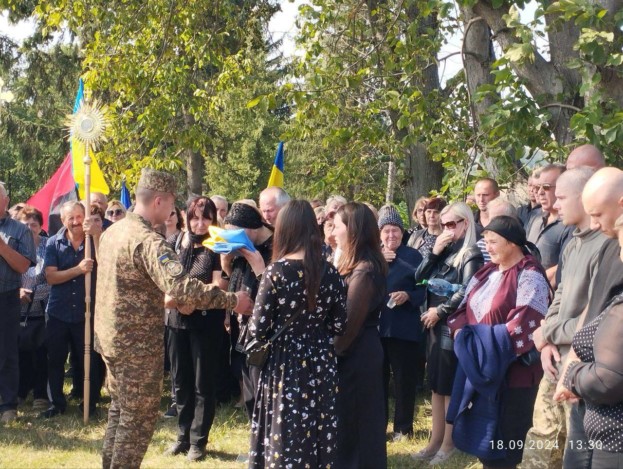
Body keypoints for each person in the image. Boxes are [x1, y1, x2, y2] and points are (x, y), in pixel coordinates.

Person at [93, 168, 252, 469]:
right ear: (159, 201)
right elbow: (182, 288)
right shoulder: (148, 242)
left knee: (120, 411)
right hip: (135, 346)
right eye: (170, 203)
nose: (172, 211)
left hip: (111, 339)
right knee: (135, 419)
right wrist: (233, 300)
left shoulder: (113, 232)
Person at [248, 200, 347, 468]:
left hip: (284, 363)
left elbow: (258, 329)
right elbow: (339, 325)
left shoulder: (276, 272)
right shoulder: (330, 272)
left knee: (285, 431)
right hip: (321, 361)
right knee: (319, 429)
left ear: (285, 230)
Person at [447, 215, 550, 469]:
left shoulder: (530, 275)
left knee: (507, 449)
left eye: (493, 242)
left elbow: (523, 324)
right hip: (480, 369)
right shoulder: (487, 272)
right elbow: (461, 310)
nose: (487, 247)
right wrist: (462, 336)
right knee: (486, 446)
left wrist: (473, 344)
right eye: (486, 241)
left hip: (512, 377)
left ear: (512, 243)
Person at [523, 168, 606, 468]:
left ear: (585, 198)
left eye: (561, 197)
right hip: (555, 358)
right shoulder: (572, 244)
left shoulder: (607, 246)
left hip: (582, 363)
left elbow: (596, 314)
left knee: (577, 450)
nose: (555, 205)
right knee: (542, 442)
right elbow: (559, 296)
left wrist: (548, 333)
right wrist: (547, 342)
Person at [552, 167, 623, 469]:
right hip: (586, 393)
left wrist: (575, 374)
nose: (595, 224)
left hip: (611, 410)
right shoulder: (608, 247)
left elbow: (611, 378)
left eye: (598, 215)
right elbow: (590, 310)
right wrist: (569, 369)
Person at [412, 201, 483, 465]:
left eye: (452, 224)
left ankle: (449, 443)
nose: (447, 229)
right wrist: (434, 252)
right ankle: (435, 440)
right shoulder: (445, 249)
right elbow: (418, 276)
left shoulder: (471, 253)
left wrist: (440, 311)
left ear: (466, 223)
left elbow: (467, 289)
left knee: (449, 384)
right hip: (433, 323)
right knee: (435, 383)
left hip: (450, 325)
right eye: (444, 225)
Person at [164, 197, 226, 461]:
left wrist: (192, 301)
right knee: (180, 382)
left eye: (206, 218)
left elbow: (219, 285)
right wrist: (179, 302)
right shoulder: (175, 242)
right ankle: (182, 436)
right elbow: (164, 280)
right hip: (176, 321)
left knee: (203, 383)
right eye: (195, 218)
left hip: (205, 323)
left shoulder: (217, 245)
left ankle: (198, 441)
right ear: (185, 218)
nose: (200, 224)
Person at [332, 202, 388, 468]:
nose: (333, 232)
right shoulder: (355, 264)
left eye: (337, 226)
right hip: (355, 351)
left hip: (357, 354)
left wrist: (331, 354)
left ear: (353, 230)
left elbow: (349, 324)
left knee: (358, 426)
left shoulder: (365, 270)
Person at [40, 201, 101, 418]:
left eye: (79, 216)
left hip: (88, 311)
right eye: (71, 218)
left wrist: (95, 235)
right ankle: (56, 403)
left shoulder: (94, 240)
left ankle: (89, 403)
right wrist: (78, 270)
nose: (76, 222)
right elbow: (51, 277)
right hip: (59, 312)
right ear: (63, 221)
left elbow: (105, 263)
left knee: (90, 360)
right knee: (55, 359)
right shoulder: (53, 243)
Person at [221, 202, 274, 420]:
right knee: (247, 383)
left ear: (250, 229)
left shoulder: (276, 248)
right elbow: (234, 277)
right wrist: (226, 260)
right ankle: (254, 430)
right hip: (241, 324)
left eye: (235, 235)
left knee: (263, 389)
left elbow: (275, 293)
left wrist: (256, 262)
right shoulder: (243, 245)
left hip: (265, 329)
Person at [377, 206, 425, 440]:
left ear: (402, 232)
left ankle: (403, 428)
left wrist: (408, 296)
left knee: (404, 381)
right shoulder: (372, 256)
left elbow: (424, 289)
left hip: (404, 327)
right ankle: (378, 427)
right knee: (378, 381)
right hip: (376, 329)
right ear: (380, 233)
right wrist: (379, 262)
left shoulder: (414, 256)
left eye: (395, 230)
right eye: (386, 231)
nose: (391, 235)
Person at [16, 208, 51, 412]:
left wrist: (34, 294)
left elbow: (52, 276)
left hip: (43, 310)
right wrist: (18, 292)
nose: (29, 229)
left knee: (41, 353)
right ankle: (20, 392)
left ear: (40, 226)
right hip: (17, 310)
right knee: (21, 354)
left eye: (34, 224)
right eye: (25, 225)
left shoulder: (49, 245)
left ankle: (40, 394)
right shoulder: (13, 246)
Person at [526, 164, 574, 287]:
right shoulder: (534, 217)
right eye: (538, 187)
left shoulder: (571, 224)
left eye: (546, 187)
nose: (540, 192)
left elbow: (565, 264)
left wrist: (535, 284)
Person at [475, 199, 518, 263]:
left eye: (498, 220)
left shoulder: (524, 249)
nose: (488, 249)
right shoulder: (478, 248)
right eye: (491, 220)